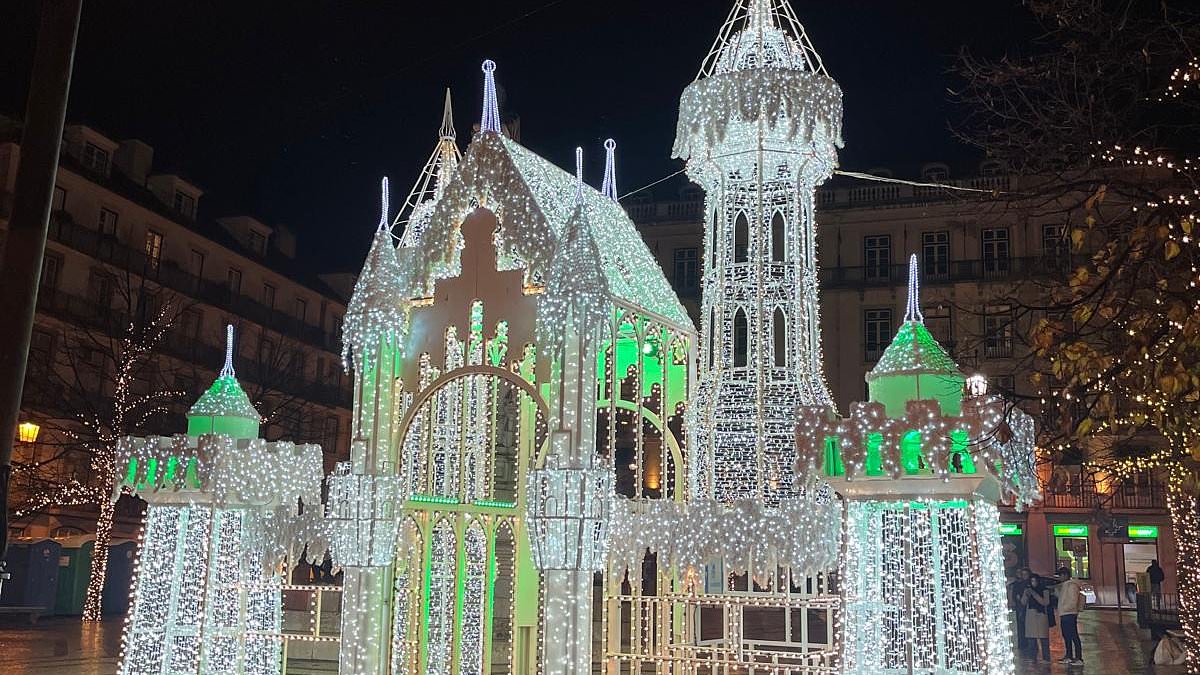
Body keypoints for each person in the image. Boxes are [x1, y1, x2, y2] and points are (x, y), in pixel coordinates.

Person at [1055, 566, 1085, 665]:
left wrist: (1065, 608)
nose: (1059, 577)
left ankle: (1078, 658)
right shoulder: (1064, 585)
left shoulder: (1072, 586)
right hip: (1064, 613)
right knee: (1066, 635)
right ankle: (1069, 656)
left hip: (1069, 613)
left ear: (1065, 575)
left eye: (1060, 575)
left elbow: (1073, 600)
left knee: (1073, 635)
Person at [1022, 575, 1053, 663]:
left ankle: (1046, 658)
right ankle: (1032, 657)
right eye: (1032, 581)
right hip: (1030, 616)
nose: (1033, 583)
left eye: (1035, 581)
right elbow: (1023, 602)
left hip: (1041, 615)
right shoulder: (1028, 590)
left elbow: (1045, 602)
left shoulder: (1044, 590)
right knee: (1031, 639)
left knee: (1044, 639)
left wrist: (1034, 593)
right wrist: (1026, 594)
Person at [1008, 568, 1032, 656]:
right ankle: (1023, 644)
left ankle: (1028, 645)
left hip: (1028, 608)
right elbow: (1015, 595)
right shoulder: (1018, 584)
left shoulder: (1028, 584)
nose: (1024, 576)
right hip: (1020, 607)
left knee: (1027, 626)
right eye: (1023, 574)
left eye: (1025, 574)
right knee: (1021, 626)